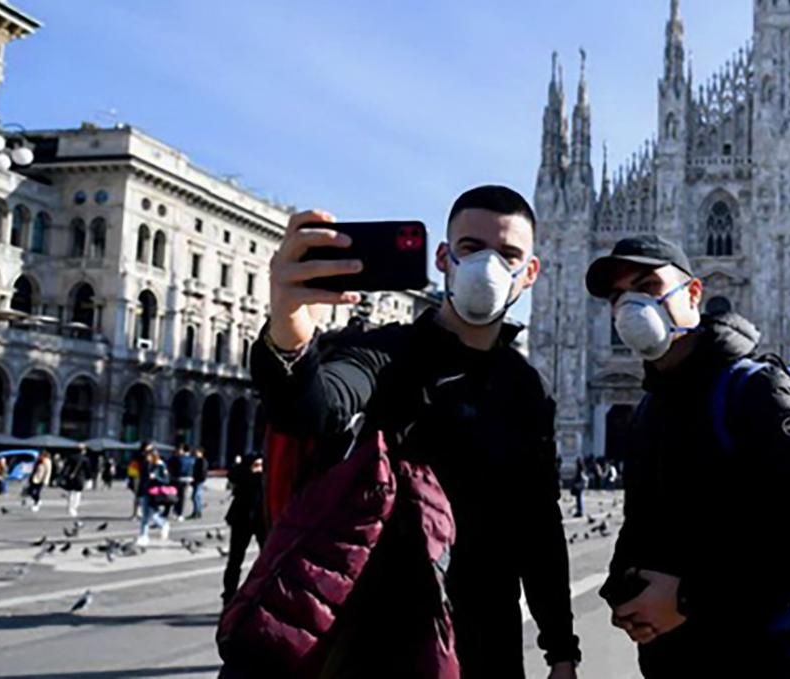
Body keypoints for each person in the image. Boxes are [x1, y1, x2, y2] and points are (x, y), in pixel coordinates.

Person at [248, 186, 580, 678]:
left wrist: (561, 650)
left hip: (488, 640)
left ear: (529, 274)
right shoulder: (386, 352)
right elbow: (314, 408)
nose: (488, 265)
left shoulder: (528, 387)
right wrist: (289, 332)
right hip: (384, 638)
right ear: (444, 258)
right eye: (471, 248)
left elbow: (537, 524)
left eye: (508, 253)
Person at [585, 235, 790, 679]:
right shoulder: (652, 406)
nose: (630, 307)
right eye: (617, 297)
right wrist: (624, 587)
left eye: (648, 287)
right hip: (673, 659)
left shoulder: (757, 390)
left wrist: (688, 597)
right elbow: (642, 525)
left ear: (693, 293)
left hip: (759, 659)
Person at [223, 454, 267, 605]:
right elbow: (232, 475)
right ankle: (229, 594)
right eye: (256, 465)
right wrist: (246, 468)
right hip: (241, 521)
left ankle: (262, 592)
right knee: (235, 559)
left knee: (267, 559)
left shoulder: (264, 479)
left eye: (261, 466)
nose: (259, 469)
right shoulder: (243, 476)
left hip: (261, 521)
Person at [136, 447, 173, 547]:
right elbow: (142, 480)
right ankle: (144, 536)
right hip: (145, 492)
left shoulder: (160, 465)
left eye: (149, 456)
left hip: (155, 493)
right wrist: (139, 493)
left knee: (153, 515)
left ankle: (163, 524)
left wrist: (156, 477)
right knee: (145, 516)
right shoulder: (146, 465)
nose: (147, 458)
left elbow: (166, 480)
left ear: (154, 456)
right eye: (146, 456)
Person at [61, 449, 93, 517]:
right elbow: (88, 470)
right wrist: (89, 478)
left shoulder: (71, 457)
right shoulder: (85, 459)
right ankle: (74, 508)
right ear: (83, 451)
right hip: (80, 478)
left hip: (70, 477)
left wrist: (63, 476)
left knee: (71, 492)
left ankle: (70, 507)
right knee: (78, 493)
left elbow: (65, 467)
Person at [172, 445, 195, 521]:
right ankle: (178, 512)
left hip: (180, 479)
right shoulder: (192, 459)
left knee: (179, 496)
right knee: (181, 496)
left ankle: (178, 512)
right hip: (186, 479)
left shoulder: (179, 459)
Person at [191, 447, 209, 520]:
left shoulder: (202, 461)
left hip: (199, 480)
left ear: (201, 453)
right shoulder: (197, 460)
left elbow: (203, 471)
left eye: (197, 452)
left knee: (195, 497)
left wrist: (200, 479)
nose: (195, 453)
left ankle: (197, 512)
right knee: (196, 497)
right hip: (196, 480)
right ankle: (197, 512)